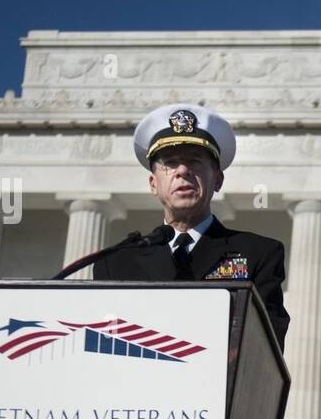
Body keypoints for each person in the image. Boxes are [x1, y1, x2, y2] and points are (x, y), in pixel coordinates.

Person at [90, 104, 290, 349]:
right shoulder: (116, 262)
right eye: (171, 163)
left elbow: (265, 345)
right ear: (153, 183)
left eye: (195, 162)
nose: (183, 171)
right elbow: (102, 345)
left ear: (217, 180)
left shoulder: (258, 255)